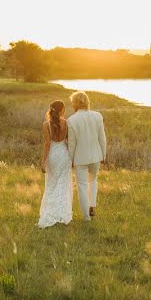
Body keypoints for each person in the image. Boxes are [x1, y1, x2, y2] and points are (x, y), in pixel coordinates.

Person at [66, 91, 107, 221]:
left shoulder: (71, 120)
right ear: (87, 102)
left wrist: (71, 159)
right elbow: (102, 138)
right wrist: (103, 155)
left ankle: (86, 217)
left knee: (82, 185)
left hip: (80, 158)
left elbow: (72, 144)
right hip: (96, 156)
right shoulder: (97, 116)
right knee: (93, 180)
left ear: (75, 104)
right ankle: (92, 205)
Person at [37, 100, 73, 228]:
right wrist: (73, 158)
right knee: (63, 184)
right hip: (64, 156)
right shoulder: (67, 123)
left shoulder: (46, 124)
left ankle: (50, 212)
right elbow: (69, 143)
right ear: (62, 110)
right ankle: (63, 214)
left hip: (53, 156)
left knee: (52, 185)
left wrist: (43, 161)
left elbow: (47, 144)